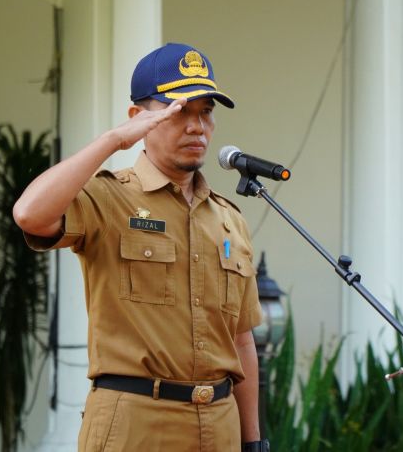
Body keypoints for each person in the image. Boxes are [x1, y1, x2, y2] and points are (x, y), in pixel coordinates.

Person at [13, 43, 268, 452]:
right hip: (135, 423)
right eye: (179, 110)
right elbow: (29, 214)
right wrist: (114, 141)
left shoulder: (228, 219)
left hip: (219, 425)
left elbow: (241, 341)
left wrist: (253, 442)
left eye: (205, 112)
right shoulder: (110, 198)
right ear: (140, 118)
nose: (196, 126)